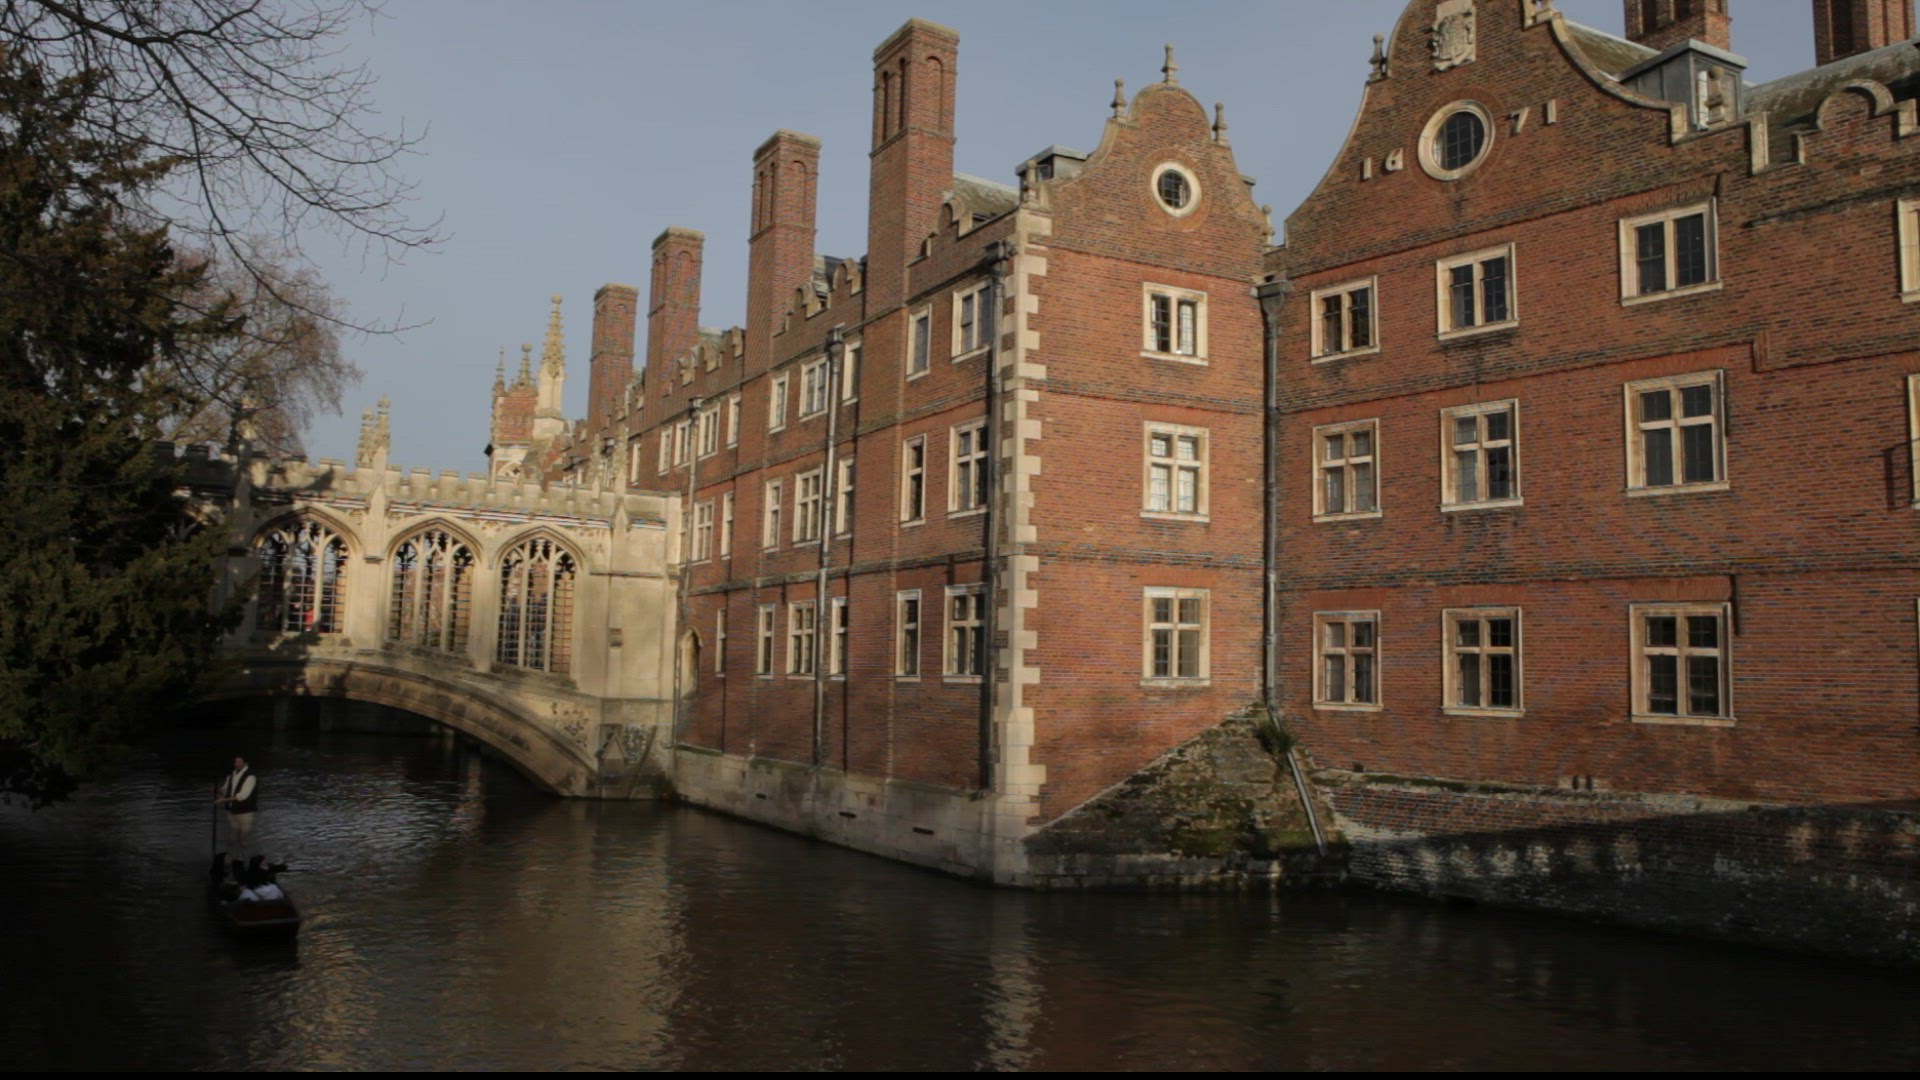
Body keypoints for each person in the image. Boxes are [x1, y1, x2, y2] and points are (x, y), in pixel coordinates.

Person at [214, 756, 259, 855]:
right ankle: (233, 850)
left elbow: (243, 795)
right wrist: (218, 790)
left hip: (245, 810)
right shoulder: (231, 775)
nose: (236, 764)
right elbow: (225, 790)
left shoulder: (250, 776)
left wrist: (223, 800)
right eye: (235, 762)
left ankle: (243, 847)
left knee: (244, 831)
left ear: (245, 763)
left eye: (239, 762)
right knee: (233, 829)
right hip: (231, 809)